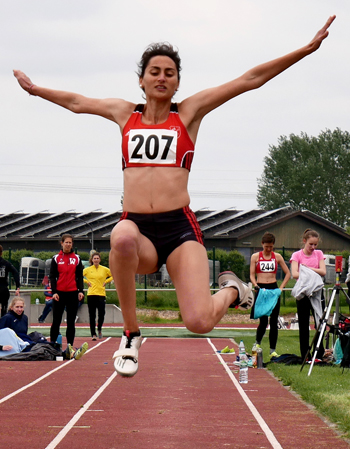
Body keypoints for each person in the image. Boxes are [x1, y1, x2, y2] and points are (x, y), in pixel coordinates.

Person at [13, 16, 335, 377]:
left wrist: (305, 51)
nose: (162, 77)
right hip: (138, 229)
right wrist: (36, 90)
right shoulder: (124, 114)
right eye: (154, 71)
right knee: (119, 237)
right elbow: (76, 101)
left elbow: (249, 80)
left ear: (178, 81)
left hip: (179, 228)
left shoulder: (189, 113)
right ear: (142, 80)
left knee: (198, 322)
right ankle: (131, 333)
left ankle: (234, 290)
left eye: (169, 72)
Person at [0, 296, 88, 360]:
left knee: (40, 338)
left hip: (26, 339)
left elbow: (24, 332)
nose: (19, 309)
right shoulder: (7, 318)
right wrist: (2, 347)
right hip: (18, 343)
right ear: (11, 307)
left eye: (21, 307)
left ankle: (66, 352)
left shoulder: (25, 318)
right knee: (42, 349)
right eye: (17, 307)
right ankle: (67, 354)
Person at [250, 232, 290, 358]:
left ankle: (272, 350)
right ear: (262, 244)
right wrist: (255, 284)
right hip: (261, 289)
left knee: (274, 321)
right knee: (263, 321)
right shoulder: (255, 257)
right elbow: (251, 274)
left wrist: (281, 288)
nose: (268, 249)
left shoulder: (277, 257)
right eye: (266, 246)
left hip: (273, 289)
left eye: (271, 247)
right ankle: (257, 343)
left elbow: (288, 273)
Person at [290, 229, 326, 361]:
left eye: (315, 245)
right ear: (304, 241)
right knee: (304, 325)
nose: (313, 247)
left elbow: (323, 271)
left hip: (317, 292)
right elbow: (295, 273)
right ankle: (305, 354)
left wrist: (307, 270)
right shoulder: (297, 255)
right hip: (303, 293)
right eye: (311, 244)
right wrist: (308, 273)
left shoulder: (319, 254)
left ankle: (319, 352)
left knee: (320, 323)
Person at [49, 234, 85, 347]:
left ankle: (70, 346)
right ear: (62, 243)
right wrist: (54, 292)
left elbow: (80, 276)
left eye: (70, 242)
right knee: (56, 321)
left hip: (72, 293)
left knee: (71, 322)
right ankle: (52, 344)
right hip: (59, 294)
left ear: (72, 244)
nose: (68, 244)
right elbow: (52, 276)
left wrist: (80, 291)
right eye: (66, 242)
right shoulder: (56, 258)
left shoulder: (77, 258)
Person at [83, 252, 113, 340]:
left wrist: (106, 282)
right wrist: (86, 282)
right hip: (91, 294)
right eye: (94, 258)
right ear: (92, 260)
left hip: (101, 294)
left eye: (97, 258)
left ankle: (99, 328)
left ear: (99, 260)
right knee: (92, 315)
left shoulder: (104, 269)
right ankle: (93, 334)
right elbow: (78, 276)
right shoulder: (88, 269)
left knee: (102, 313)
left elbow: (113, 275)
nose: (96, 260)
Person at [0, 244, 20, 317]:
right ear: (1, 253)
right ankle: (3, 325)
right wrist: (17, 286)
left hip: (3, 289)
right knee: (4, 309)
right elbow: (15, 272)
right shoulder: (5, 263)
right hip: (3, 289)